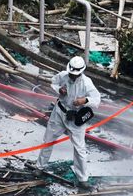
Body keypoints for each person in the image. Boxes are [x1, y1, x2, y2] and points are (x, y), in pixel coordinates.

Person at [38, 55, 101, 184]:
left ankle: (83, 178)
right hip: (60, 112)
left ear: (81, 72)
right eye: (71, 74)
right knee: (48, 139)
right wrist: (59, 90)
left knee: (79, 148)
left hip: (75, 117)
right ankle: (40, 166)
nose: (72, 76)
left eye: (75, 75)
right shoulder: (63, 75)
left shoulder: (87, 83)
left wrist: (85, 100)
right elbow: (53, 82)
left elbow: (97, 101)